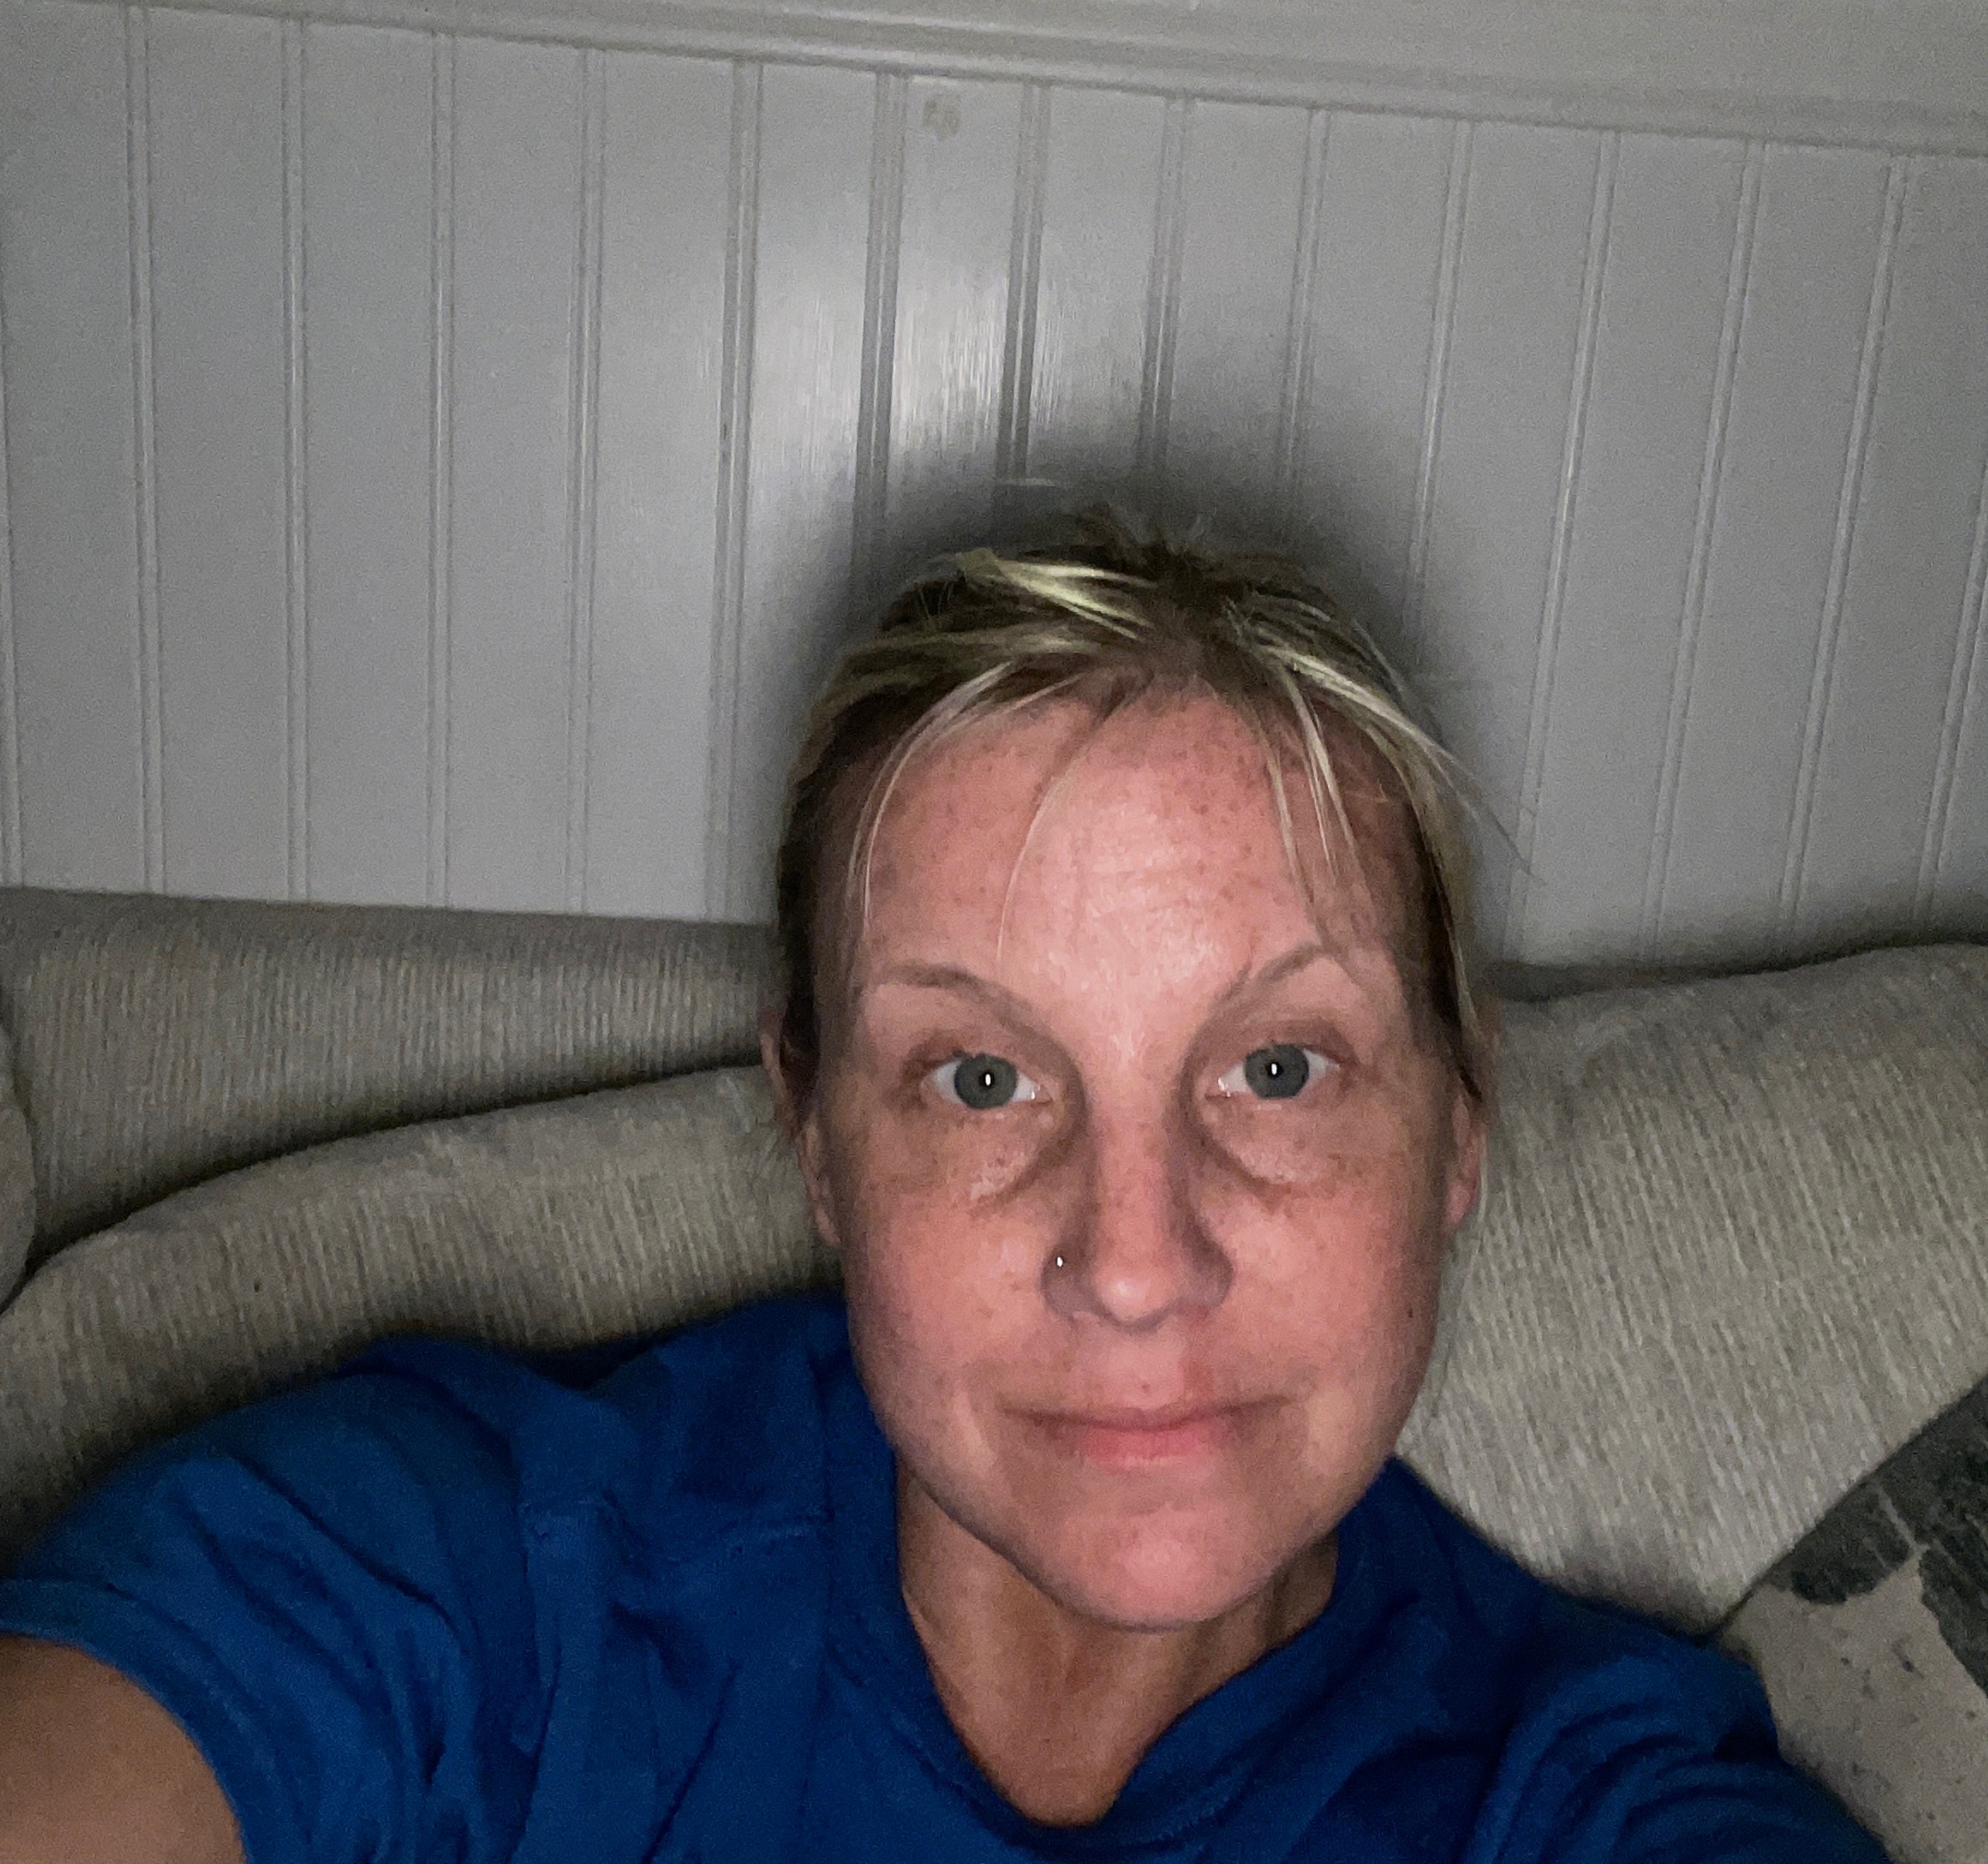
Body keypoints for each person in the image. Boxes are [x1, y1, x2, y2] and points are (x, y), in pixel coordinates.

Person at [0, 508, 1882, 1862]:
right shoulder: (450, 1587)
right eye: (983, 1080)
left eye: (1279, 1068)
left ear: (1459, 1125)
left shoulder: (1585, 1795)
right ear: (818, 1140)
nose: (1133, 1263)